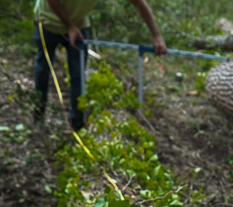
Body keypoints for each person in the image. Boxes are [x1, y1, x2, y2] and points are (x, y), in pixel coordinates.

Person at [33, 0, 167, 130]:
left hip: (78, 25)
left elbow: (138, 3)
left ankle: (77, 123)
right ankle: (38, 117)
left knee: (78, 75)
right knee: (43, 69)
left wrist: (157, 36)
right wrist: (69, 26)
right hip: (48, 22)